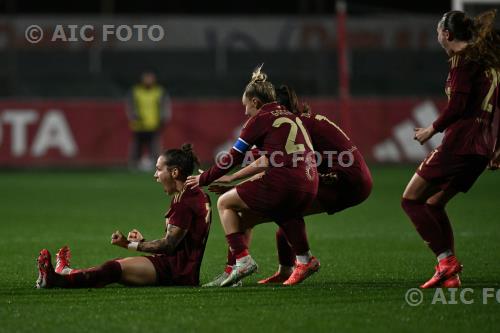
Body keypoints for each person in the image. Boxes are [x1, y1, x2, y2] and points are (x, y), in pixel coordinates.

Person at [204, 85, 372, 286]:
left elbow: (265, 160)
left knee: (266, 211)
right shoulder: (303, 121)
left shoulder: (293, 125)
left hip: (343, 182)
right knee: (280, 215)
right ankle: (285, 270)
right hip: (353, 178)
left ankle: (289, 263)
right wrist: (236, 182)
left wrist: (233, 180)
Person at [186, 66, 320, 287]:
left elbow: (233, 157)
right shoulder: (290, 116)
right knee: (285, 213)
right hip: (310, 182)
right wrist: (230, 179)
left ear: (256, 102)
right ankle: (305, 260)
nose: (245, 112)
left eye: (246, 106)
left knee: (225, 203)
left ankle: (242, 259)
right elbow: (270, 158)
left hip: (284, 182)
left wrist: (203, 179)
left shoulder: (259, 120)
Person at [401, 9, 500, 289]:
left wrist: (431, 129)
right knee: (434, 203)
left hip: (461, 144)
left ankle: (446, 262)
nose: (436, 37)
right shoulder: (490, 66)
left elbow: (457, 107)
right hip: (482, 147)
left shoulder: (462, 60)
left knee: (410, 200)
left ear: (447, 34)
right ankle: (450, 274)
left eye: (437, 32)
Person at [36, 144, 212, 288]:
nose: (155, 175)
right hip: (177, 269)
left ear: (174, 173)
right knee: (114, 266)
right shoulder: (196, 195)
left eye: (159, 169)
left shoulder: (184, 202)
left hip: (174, 273)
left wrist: (129, 244)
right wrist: (143, 243)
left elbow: (169, 245)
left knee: (112, 269)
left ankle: (56, 279)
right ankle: (64, 272)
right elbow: (181, 243)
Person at [127, 71, 171, 171]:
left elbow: (165, 106)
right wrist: (133, 116)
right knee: (136, 148)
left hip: (154, 125)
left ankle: (158, 168)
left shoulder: (159, 91)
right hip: (139, 125)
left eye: (150, 78)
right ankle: (133, 167)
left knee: (155, 148)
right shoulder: (136, 91)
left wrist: (164, 119)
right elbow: (130, 106)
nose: (148, 80)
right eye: (146, 78)